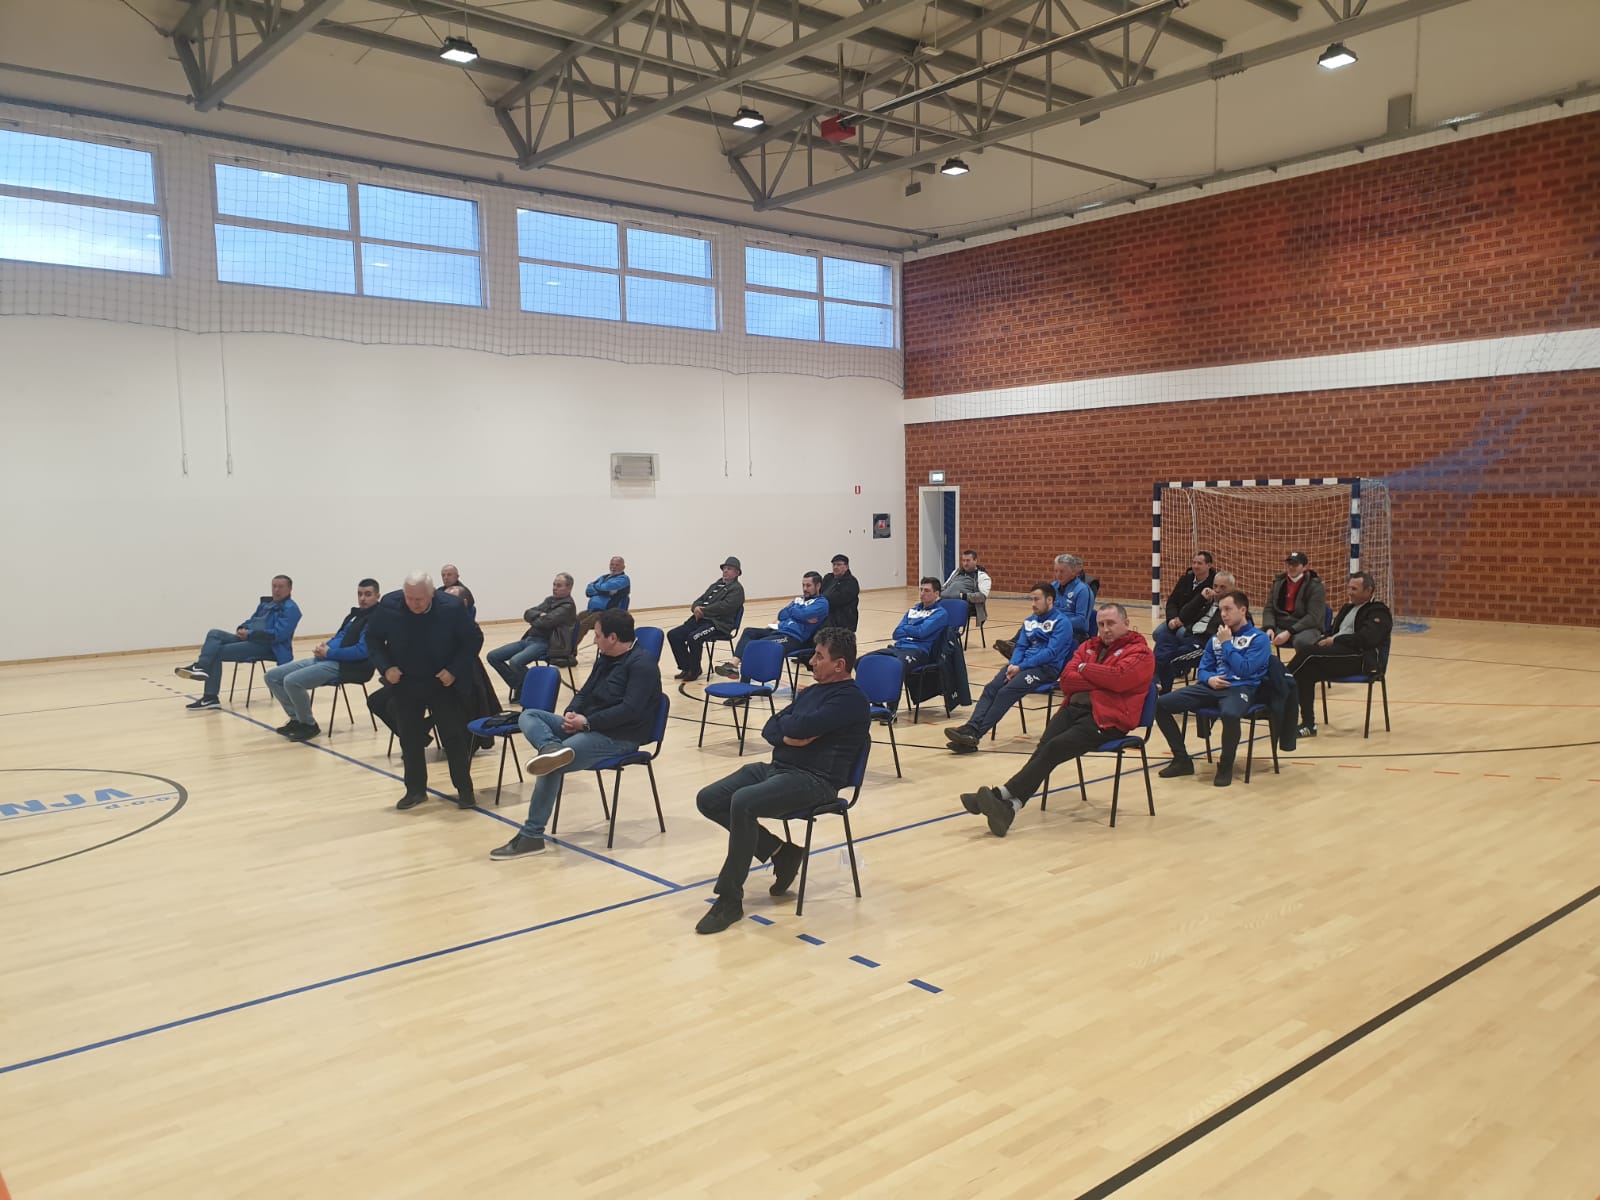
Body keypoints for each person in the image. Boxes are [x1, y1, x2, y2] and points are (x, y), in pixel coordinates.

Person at [694, 627, 870, 933]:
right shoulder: (813, 692)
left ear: (839, 665)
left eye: (819, 656)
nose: (811, 661)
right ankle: (782, 852)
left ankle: (730, 899)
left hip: (815, 781)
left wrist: (793, 730)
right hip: (779, 768)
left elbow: (796, 726)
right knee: (709, 799)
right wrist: (792, 735)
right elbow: (771, 727)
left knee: (743, 802)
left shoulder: (850, 700)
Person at [963, 603, 1153, 838]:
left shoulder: (1140, 653)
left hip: (1108, 720)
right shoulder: (1089, 646)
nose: (1105, 629)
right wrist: (1098, 677)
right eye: (1101, 624)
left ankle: (1001, 794)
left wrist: (1085, 669)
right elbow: (1066, 681)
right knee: (1045, 746)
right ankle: (1010, 806)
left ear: (1126, 623)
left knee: (1054, 747)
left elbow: (1118, 679)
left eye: (1111, 624)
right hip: (1074, 710)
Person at [489, 611, 662, 859]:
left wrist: (587, 723)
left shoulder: (642, 665)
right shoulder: (606, 657)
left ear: (613, 637)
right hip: (588, 726)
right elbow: (585, 692)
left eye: (598, 635)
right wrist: (572, 712)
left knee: (552, 766)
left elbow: (629, 710)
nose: (594, 640)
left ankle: (532, 836)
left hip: (619, 737)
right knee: (529, 716)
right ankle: (550, 748)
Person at [365, 571, 484, 811]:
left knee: (453, 737)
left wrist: (454, 670)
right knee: (409, 738)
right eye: (409, 598)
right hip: (406, 681)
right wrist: (386, 667)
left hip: (441, 682)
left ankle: (465, 790)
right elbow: (373, 640)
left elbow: (473, 640)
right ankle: (415, 790)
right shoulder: (389, 605)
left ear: (432, 594)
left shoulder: (451, 608)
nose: (414, 604)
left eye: (419, 599)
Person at [1154, 590, 1269, 788]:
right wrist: (1209, 679)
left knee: (1230, 714)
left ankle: (1225, 765)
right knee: (1160, 704)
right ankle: (1182, 759)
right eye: (1221, 609)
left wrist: (1227, 644)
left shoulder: (1258, 638)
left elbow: (1245, 669)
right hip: (1212, 687)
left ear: (1243, 610)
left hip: (1240, 688)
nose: (1223, 614)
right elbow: (1203, 669)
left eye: (1228, 609)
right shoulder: (1215, 638)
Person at [944, 582, 1074, 752]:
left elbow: (1050, 653)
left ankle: (975, 735)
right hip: (1021, 666)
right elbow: (1020, 646)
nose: (1033, 604)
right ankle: (971, 728)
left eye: (1037, 599)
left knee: (1006, 691)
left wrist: (1021, 667)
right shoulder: (1030, 621)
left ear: (1049, 600)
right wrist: (1014, 664)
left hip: (1045, 670)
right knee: (991, 688)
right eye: (1031, 599)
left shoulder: (1062, 623)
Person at [264, 578, 378, 742]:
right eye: (360, 594)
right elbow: (340, 636)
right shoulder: (354, 615)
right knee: (272, 677)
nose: (362, 598)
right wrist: (324, 647)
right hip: (328, 658)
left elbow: (361, 651)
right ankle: (296, 719)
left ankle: (309, 725)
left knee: (291, 681)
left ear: (377, 596)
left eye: (368, 594)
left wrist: (329, 653)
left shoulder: (375, 620)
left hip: (348, 666)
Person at [174, 574, 303, 710]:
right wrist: (242, 628)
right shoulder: (266, 604)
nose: (276, 590)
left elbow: (279, 635)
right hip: (251, 639)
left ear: (290, 589)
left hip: (269, 647)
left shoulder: (291, 609)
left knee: (216, 652)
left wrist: (250, 633)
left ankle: (210, 696)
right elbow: (252, 621)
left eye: (280, 587)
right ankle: (201, 667)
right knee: (214, 634)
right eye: (274, 586)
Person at [1288, 571, 1393, 736]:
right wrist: (1325, 640)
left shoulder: (1379, 612)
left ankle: (1278, 684)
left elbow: (1367, 639)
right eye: (1349, 588)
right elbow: (1332, 632)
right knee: (1306, 671)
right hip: (1340, 655)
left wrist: (1336, 640)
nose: (1349, 592)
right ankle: (1308, 725)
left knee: (1307, 652)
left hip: (1362, 660)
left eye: (1354, 589)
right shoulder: (1347, 608)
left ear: (1368, 591)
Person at [714, 571, 830, 678]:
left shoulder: (821, 603)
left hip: (793, 638)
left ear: (818, 586)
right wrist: (801, 614)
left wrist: (795, 610)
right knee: (749, 632)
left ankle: (744, 686)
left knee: (755, 646)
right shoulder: (799, 600)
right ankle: (733, 666)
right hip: (778, 631)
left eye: (808, 586)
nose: (804, 589)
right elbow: (781, 615)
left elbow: (801, 614)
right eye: (803, 585)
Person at [487, 573, 578, 696]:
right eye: (554, 584)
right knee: (493, 656)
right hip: (529, 639)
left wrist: (537, 618)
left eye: (559, 585)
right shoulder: (549, 600)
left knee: (515, 662)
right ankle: (520, 685)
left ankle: (533, 688)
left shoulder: (568, 606)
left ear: (569, 588)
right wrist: (539, 615)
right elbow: (527, 613)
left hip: (546, 643)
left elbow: (546, 622)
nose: (554, 588)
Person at [1153, 570, 1236, 694]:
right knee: (1164, 638)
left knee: (1170, 660)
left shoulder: (1234, 608)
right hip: (1188, 636)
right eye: (1215, 586)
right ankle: (1154, 679)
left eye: (1222, 587)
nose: (1217, 590)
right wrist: (1200, 598)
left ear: (1232, 589)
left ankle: (1162, 696)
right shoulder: (1208, 601)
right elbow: (1183, 616)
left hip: (1204, 645)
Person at [995, 553, 1093, 657]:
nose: (1058, 575)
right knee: (1031, 622)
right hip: (1050, 626)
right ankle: (1014, 645)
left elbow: (1082, 622)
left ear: (1073, 572)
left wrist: (1057, 621)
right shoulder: (1052, 587)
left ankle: (1023, 653)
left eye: (1062, 571)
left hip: (1073, 632)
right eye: (1056, 571)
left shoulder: (1083, 590)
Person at [667, 557, 746, 682]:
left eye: (729, 569)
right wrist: (695, 608)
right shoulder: (716, 585)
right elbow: (700, 599)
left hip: (718, 624)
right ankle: (686, 667)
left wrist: (704, 611)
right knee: (673, 635)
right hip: (700, 620)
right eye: (724, 568)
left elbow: (724, 607)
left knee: (694, 638)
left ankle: (695, 670)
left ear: (737, 573)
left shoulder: (737, 589)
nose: (725, 571)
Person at [878, 577, 950, 673]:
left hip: (917, 650)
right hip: (898, 647)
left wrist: (906, 627)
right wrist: (914, 629)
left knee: (894, 668)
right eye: (921, 590)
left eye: (927, 591)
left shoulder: (940, 613)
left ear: (936, 594)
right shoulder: (912, 611)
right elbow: (896, 634)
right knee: (863, 661)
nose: (922, 593)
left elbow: (921, 632)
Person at [1264, 552, 1328, 651]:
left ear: (1305, 567)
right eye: (1289, 564)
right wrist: (1269, 628)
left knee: (1301, 642)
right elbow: (1269, 608)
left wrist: (1289, 631)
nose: (1291, 567)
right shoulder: (1278, 582)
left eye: (1295, 565)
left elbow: (1313, 617)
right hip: (1281, 625)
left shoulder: (1315, 586)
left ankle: (1303, 661)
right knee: (1258, 638)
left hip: (1306, 628)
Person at [572, 556, 631, 650]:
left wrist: (597, 587)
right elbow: (589, 590)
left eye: (617, 565)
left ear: (623, 567)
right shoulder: (604, 577)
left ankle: (570, 651)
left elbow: (606, 588)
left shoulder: (623, 579)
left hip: (609, 613)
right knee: (574, 621)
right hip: (593, 611)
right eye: (612, 564)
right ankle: (564, 647)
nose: (614, 567)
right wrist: (601, 589)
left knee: (583, 625)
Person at [942, 549, 992, 631]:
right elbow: (945, 586)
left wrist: (964, 596)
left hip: (964, 603)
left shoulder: (982, 576)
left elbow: (982, 597)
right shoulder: (956, 572)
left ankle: (951, 634)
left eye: (968, 560)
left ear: (975, 560)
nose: (965, 563)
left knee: (952, 608)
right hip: (946, 599)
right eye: (963, 560)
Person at [819, 554, 860, 632]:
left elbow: (837, 599)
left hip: (843, 621)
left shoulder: (851, 582)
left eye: (838, 564)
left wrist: (821, 601)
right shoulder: (828, 578)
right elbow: (819, 592)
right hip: (827, 619)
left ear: (846, 567)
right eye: (834, 565)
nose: (835, 567)